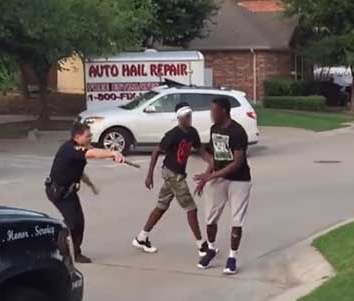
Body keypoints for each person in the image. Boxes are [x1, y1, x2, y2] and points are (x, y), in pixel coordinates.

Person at [133, 103, 209, 256]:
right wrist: (149, 175)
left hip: (174, 174)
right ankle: (202, 246)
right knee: (191, 208)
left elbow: (201, 151)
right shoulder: (173, 134)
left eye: (190, 115)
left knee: (161, 206)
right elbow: (156, 152)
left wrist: (213, 162)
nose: (189, 118)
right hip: (173, 174)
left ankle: (141, 237)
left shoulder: (192, 132)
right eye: (186, 116)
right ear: (179, 117)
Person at [46, 122, 125, 263]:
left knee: (79, 222)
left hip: (69, 191)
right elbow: (94, 154)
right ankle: (56, 247)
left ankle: (76, 253)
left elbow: (78, 172)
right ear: (77, 137)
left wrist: (91, 185)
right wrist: (113, 153)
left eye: (90, 135)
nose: (90, 138)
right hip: (57, 191)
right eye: (87, 136)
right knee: (71, 222)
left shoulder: (78, 151)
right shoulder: (70, 148)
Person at [194, 97, 252, 275]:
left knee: (236, 219)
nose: (211, 114)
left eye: (214, 111)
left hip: (239, 180)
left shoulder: (237, 132)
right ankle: (211, 249)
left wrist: (211, 175)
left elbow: (236, 163)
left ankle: (232, 258)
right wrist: (206, 176)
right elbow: (215, 157)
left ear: (224, 111)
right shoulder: (214, 129)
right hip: (218, 178)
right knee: (211, 218)